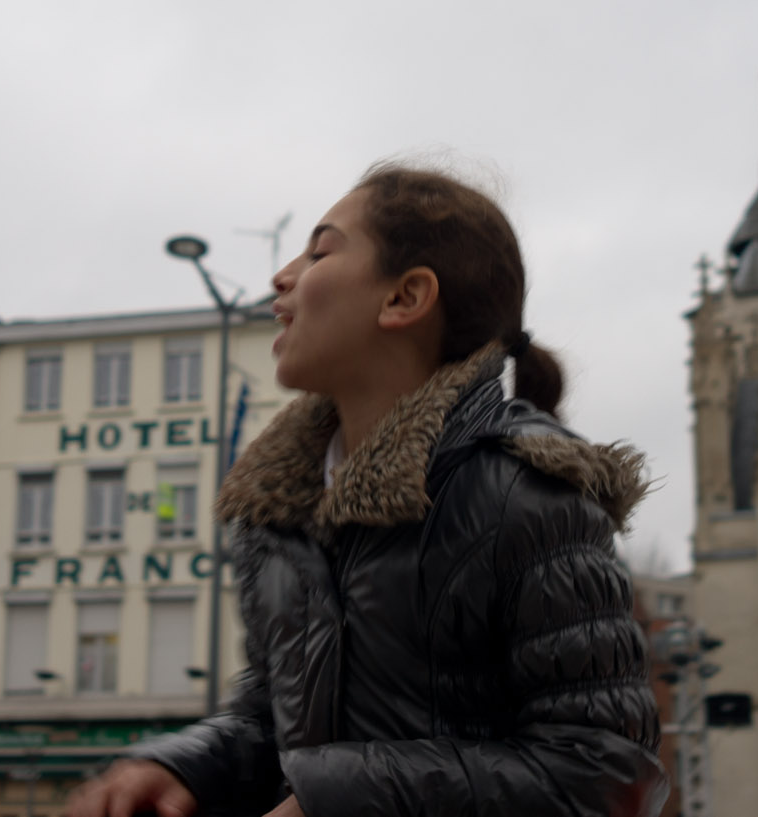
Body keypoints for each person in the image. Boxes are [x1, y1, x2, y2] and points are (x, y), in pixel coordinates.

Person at [67, 163, 667, 817]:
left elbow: (605, 775)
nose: (283, 275)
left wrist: (336, 799)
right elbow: (274, 722)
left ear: (404, 299)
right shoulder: (277, 519)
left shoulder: (527, 496)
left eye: (321, 249)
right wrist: (182, 766)